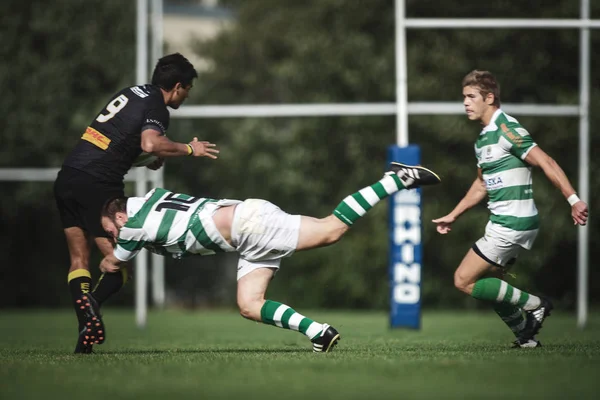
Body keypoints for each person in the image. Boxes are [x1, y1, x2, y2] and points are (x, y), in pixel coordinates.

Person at [98, 162, 441, 353]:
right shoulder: (151, 200)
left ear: (121, 218)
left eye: (111, 230)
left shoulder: (135, 225)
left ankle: (395, 180)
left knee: (331, 230)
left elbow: (114, 262)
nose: (114, 237)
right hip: (247, 233)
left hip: (250, 226)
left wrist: (102, 264)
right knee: (249, 304)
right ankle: (319, 333)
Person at [54, 53, 220, 354]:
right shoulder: (158, 105)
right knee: (119, 264)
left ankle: (85, 333)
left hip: (68, 178)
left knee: (79, 260)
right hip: (98, 186)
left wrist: (146, 160)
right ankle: (90, 308)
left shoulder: (131, 92)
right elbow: (150, 142)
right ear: (178, 86)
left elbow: (116, 142)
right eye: (188, 89)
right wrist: (188, 148)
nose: (188, 95)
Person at [432, 70, 589, 348]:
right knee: (491, 283)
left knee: (462, 280)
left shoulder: (507, 129)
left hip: (512, 222)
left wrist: (573, 199)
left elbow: (547, 162)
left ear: (489, 98)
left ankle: (536, 305)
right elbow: (481, 185)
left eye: (471, 97)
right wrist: (453, 215)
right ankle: (525, 338)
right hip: (504, 221)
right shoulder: (483, 140)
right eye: (463, 97)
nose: (465, 103)